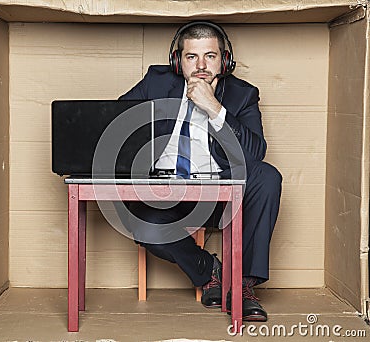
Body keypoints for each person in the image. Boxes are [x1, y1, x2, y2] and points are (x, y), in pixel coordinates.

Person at [118, 21, 282, 322]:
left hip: (222, 199)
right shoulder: (157, 82)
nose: (201, 65)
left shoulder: (242, 95)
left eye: (210, 56)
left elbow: (254, 155)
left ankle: (242, 286)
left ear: (225, 60)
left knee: (267, 176)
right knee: (144, 224)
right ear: (177, 61)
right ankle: (212, 272)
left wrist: (215, 108)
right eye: (192, 56)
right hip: (166, 196)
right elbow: (115, 124)